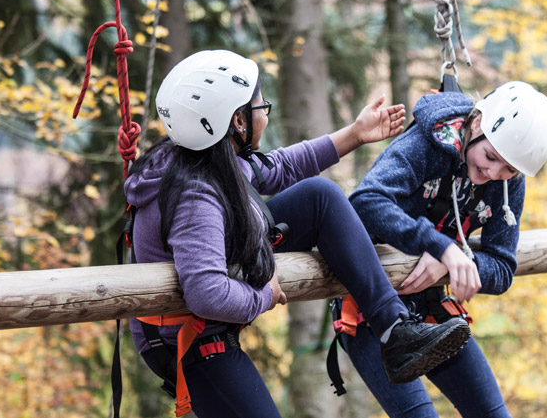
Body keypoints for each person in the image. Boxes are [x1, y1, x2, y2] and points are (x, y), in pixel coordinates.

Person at [123, 49, 471, 418]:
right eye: (260, 106)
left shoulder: (214, 158)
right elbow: (207, 294)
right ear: (237, 121)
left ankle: (395, 331)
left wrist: (355, 134)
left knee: (320, 196)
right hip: (193, 339)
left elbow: (282, 166)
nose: (264, 113)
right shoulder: (196, 195)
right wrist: (264, 294)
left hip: (219, 292)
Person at [337, 81, 547, 417]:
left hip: (432, 306)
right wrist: (441, 247)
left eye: (508, 170)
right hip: (373, 306)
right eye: (490, 157)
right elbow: (366, 201)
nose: (493, 175)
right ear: (476, 123)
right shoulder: (428, 142)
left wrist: (456, 258)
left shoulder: (509, 180)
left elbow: (501, 266)